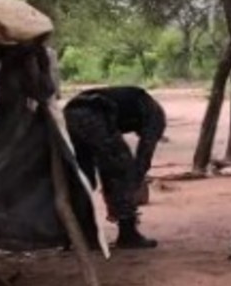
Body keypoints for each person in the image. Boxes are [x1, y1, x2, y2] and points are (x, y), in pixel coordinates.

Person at [64, 86, 165, 249]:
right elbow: (144, 156)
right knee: (121, 170)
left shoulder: (138, 103)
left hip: (70, 113)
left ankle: (83, 235)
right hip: (95, 113)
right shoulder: (155, 116)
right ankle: (128, 234)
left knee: (83, 177)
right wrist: (133, 183)